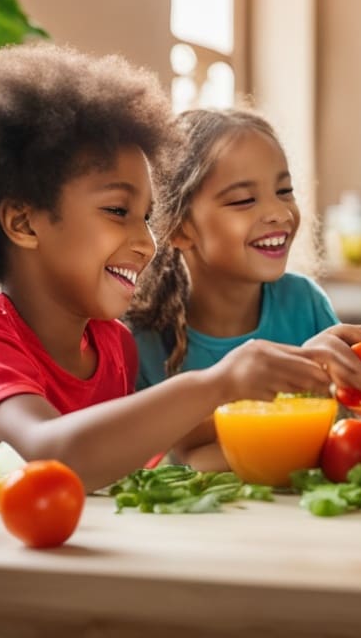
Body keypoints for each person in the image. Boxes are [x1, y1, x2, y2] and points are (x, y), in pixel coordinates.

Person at [0, 45, 361, 491]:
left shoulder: (111, 346)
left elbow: (143, 454)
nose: (146, 241)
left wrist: (279, 384)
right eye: (118, 212)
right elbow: (56, 453)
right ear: (23, 222)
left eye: (146, 217)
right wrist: (219, 382)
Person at [124, 108, 341, 470]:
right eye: (243, 200)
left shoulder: (306, 304)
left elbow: (338, 430)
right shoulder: (138, 339)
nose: (279, 213)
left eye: (284, 191)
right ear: (178, 229)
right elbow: (152, 467)